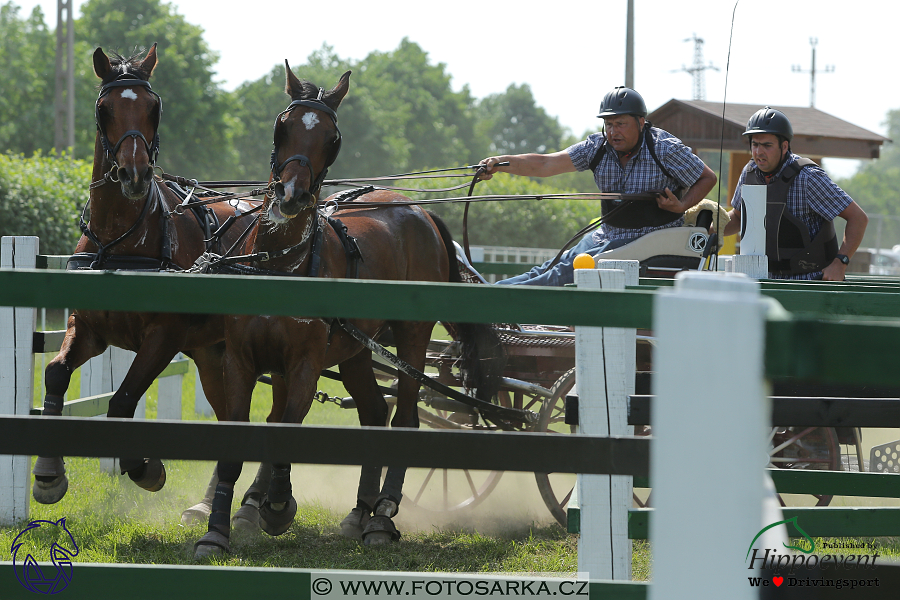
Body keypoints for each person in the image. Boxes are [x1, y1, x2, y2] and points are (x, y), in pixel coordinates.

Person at [477, 86, 717, 286]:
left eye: (621, 124)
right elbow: (546, 164)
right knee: (550, 267)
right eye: (609, 124)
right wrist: (500, 163)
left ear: (641, 122)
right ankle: (490, 293)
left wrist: (682, 205)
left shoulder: (664, 148)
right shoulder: (597, 148)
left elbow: (707, 177)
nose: (613, 132)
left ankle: (496, 300)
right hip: (608, 235)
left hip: (650, 240)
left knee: (562, 274)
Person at [723, 107, 868, 281]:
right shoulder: (749, 173)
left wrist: (840, 263)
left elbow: (858, 218)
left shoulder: (808, 177)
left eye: (767, 145)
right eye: (755, 144)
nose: (759, 152)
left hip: (811, 281)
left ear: (784, 146)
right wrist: (707, 229)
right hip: (764, 279)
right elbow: (739, 218)